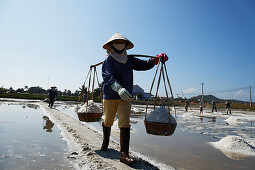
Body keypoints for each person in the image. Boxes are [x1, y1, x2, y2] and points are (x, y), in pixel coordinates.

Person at [101, 32, 168, 165]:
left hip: (126, 96)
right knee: (108, 120)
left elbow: (144, 65)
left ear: (126, 45)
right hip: (110, 95)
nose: (119, 45)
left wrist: (156, 60)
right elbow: (107, 76)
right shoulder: (108, 60)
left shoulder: (129, 60)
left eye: (122, 43)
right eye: (116, 42)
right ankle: (105, 141)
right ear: (111, 45)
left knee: (124, 123)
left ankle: (124, 154)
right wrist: (118, 88)